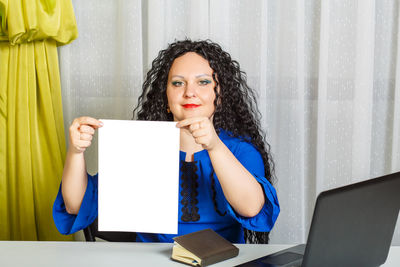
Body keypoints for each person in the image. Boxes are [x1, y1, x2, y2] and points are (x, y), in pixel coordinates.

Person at [53, 39, 280, 244]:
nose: (190, 92)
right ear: (167, 99)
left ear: (219, 96)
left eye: (203, 82)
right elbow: (75, 205)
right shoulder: (141, 147)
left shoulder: (240, 150)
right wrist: (76, 151)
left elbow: (252, 208)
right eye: (178, 83)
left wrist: (214, 145)